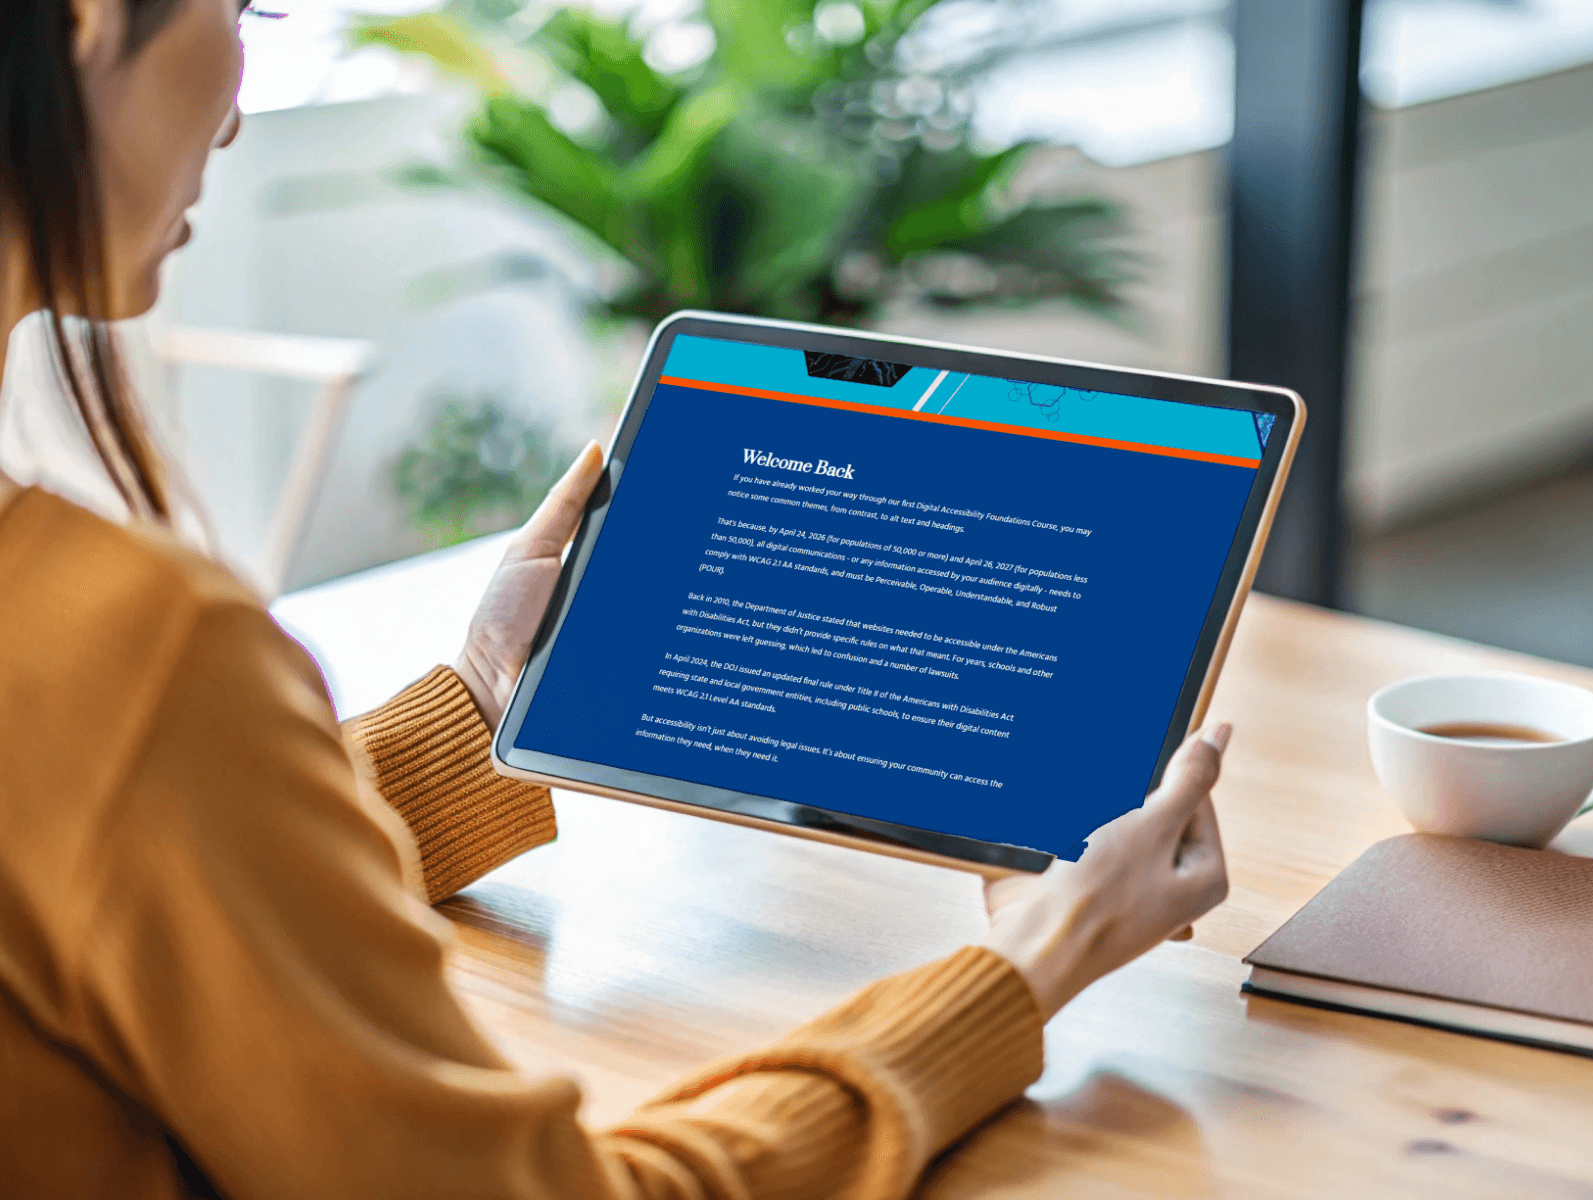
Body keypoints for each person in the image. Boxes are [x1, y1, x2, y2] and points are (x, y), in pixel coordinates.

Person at [0, 2, 1234, 1196]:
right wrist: (1024, 964)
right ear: (86, 21)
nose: (231, 122)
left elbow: (128, 866)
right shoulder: (142, 652)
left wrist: (486, 699)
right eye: (251, 10)